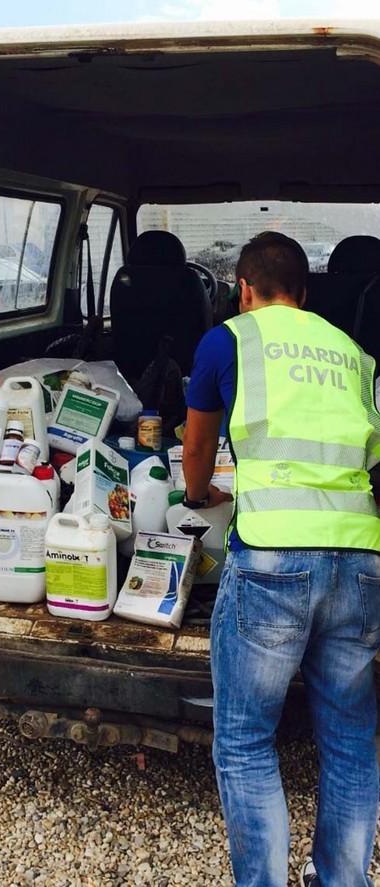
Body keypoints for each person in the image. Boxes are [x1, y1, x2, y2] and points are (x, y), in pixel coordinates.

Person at [182, 231, 380, 887]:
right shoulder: (354, 352)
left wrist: (198, 494)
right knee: (351, 740)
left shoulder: (229, 339)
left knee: (244, 740)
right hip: (359, 557)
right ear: (303, 292)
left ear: (243, 289)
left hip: (272, 563)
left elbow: (198, 448)